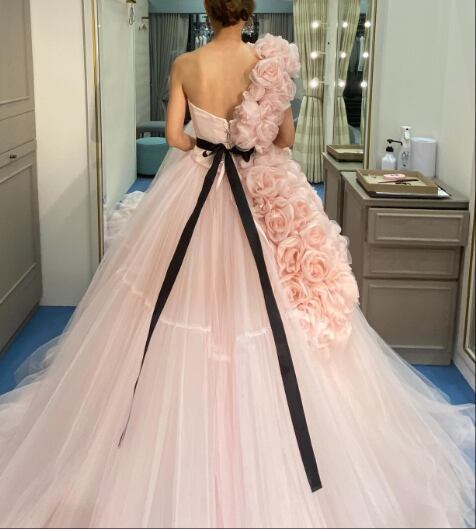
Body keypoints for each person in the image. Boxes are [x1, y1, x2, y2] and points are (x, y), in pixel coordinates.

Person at [0, 0, 474, 527]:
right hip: (258, 189)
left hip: (194, 186)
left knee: (168, 294)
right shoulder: (267, 64)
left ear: (210, 11)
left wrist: (206, 141)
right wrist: (247, 137)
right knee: (268, 303)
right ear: (248, 14)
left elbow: (174, 137)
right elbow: (286, 139)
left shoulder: (186, 63)